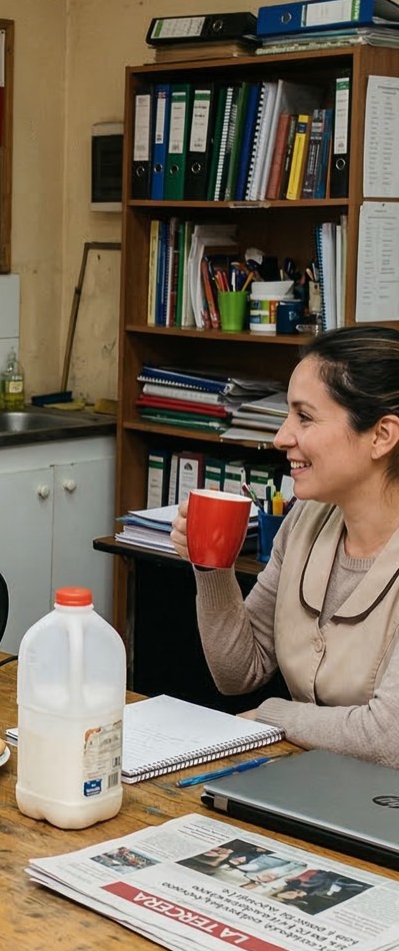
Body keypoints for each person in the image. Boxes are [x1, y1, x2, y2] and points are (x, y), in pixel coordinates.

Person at [170, 325, 399, 768]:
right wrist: (211, 566)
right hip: (309, 786)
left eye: (305, 417)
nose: (280, 438)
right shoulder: (305, 519)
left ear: (382, 435)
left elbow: (389, 736)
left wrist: (272, 716)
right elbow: (239, 672)